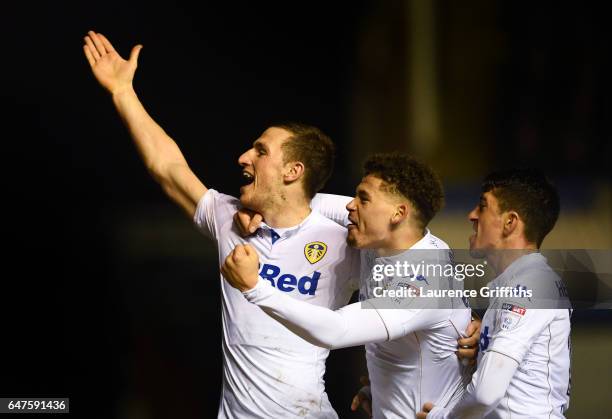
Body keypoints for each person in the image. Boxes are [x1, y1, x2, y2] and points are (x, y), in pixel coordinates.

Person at [83, 30, 361, 418]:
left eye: (261, 151)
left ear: (293, 171)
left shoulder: (347, 239)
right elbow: (167, 167)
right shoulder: (229, 218)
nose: (243, 157)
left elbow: (418, 250)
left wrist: (459, 336)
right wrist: (122, 92)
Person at [222, 153, 477, 418]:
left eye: (363, 198)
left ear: (398, 213)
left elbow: (337, 330)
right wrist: (255, 209)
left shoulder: (427, 280)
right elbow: (293, 200)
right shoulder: (382, 234)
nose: (350, 206)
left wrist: (254, 288)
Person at [417, 168, 571, 418]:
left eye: (482, 206)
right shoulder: (525, 283)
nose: (472, 215)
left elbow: (486, 394)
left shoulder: (531, 286)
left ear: (510, 222)